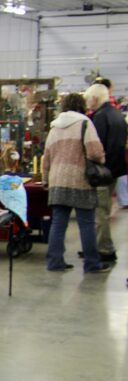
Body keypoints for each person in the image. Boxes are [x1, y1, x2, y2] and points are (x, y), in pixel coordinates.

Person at [42, 93, 111, 274]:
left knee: (58, 224)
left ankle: (55, 262)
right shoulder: (85, 123)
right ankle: (92, 263)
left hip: (57, 180)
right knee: (86, 223)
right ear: (82, 105)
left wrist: (45, 179)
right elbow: (95, 152)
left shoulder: (54, 128)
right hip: (80, 179)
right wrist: (102, 160)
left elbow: (46, 157)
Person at [85, 83, 124, 262]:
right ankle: (99, 246)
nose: (87, 103)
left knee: (100, 213)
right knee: (104, 211)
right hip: (115, 170)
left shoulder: (99, 117)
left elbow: (96, 148)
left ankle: (104, 250)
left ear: (95, 98)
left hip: (102, 172)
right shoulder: (118, 115)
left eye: (88, 99)